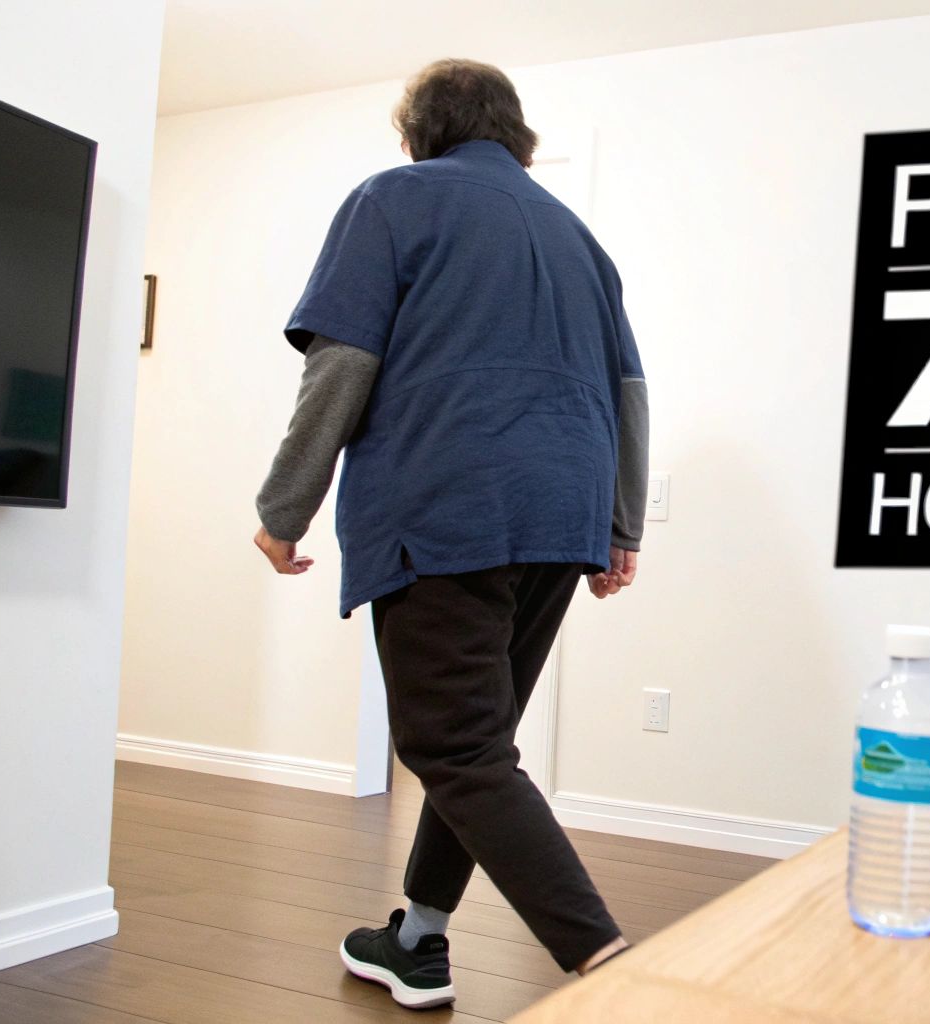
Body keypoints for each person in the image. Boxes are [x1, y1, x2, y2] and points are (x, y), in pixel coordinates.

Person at [249, 58, 648, 1011]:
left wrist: (283, 507)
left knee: (457, 748)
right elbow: (630, 392)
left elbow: (342, 363)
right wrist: (621, 524)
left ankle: (618, 973)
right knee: (479, 741)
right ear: (517, 136)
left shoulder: (392, 198)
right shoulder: (579, 238)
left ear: (416, 134)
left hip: (449, 501)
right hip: (563, 511)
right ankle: (417, 941)